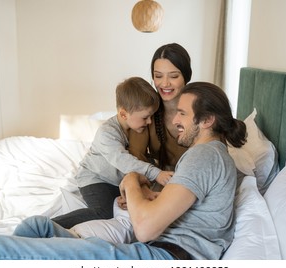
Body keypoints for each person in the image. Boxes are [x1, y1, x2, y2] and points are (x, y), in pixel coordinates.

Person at [0, 81, 247, 260]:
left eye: (183, 114)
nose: (174, 119)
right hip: (155, 251)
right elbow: (182, 205)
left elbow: (145, 228)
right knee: (37, 226)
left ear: (208, 120)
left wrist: (130, 182)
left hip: (164, 257)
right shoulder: (208, 157)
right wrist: (150, 197)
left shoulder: (204, 156)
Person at [52, 43, 192, 228]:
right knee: (109, 212)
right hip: (105, 178)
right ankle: (49, 226)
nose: (164, 83)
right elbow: (131, 160)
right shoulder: (138, 120)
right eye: (158, 76)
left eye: (173, 76)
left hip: (172, 178)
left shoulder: (191, 108)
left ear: (186, 76)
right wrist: (137, 188)